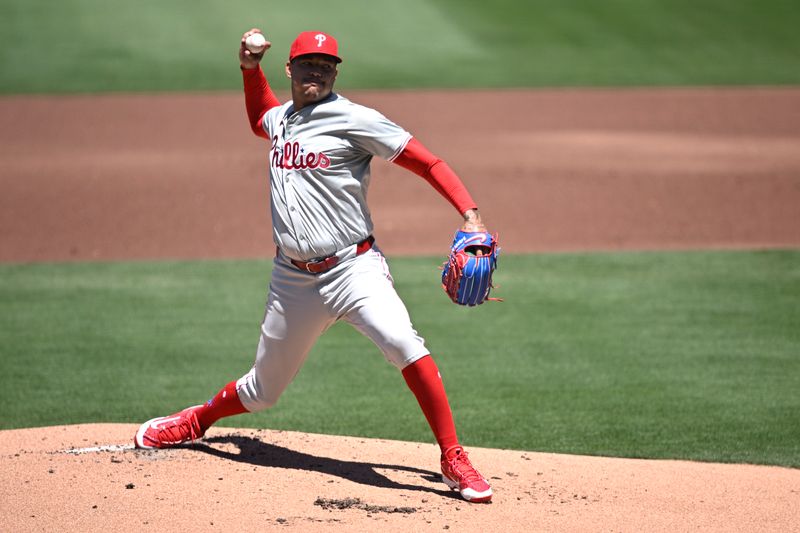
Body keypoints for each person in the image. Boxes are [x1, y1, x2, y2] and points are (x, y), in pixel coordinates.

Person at [134, 28, 493, 503]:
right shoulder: (282, 118)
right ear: (291, 69)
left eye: (326, 66)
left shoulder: (356, 119)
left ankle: (453, 457)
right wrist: (248, 69)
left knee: (404, 342)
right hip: (292, 280)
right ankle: (196, 421)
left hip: (354, 270)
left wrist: (469, 212)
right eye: (307, 64)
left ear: (335, 72)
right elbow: (260, 116)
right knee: (263, 391)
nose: (316, 72)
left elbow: (428, 162)